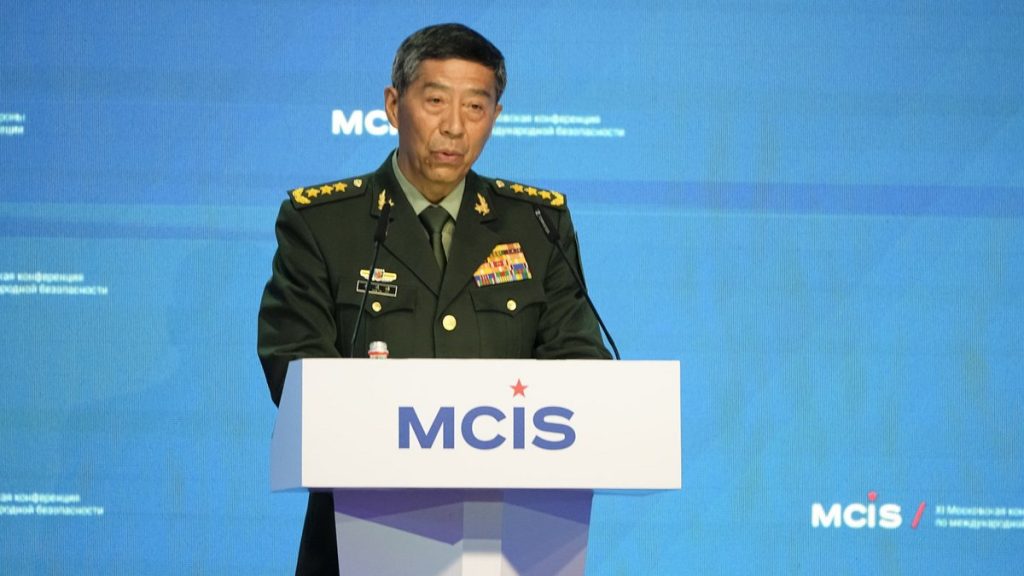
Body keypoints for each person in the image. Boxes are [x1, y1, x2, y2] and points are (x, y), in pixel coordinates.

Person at [257, 22, 611, 575]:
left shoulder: (538, 224)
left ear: (495, 115)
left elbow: (580, 363)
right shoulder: (324, 224)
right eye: (436, 101)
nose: (454, 127)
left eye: (475, 107)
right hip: (357, 541)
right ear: (394, 106)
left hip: (511, 542)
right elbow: (294, 368)